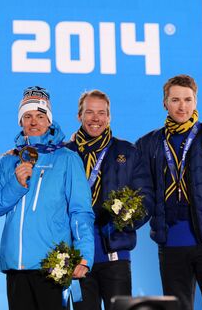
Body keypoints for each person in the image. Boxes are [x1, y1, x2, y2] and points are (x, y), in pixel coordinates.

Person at [136, 74, 202, 310]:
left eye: (187, 99)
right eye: (175, 100)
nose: (182, 106)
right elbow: (129, 179)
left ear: (196, 102)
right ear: (165, 102)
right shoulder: (149, 144)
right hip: (171, 247)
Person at [0, 86, 95, 310]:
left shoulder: (67, 159)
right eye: (27, 116)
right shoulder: (8, 161)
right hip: (17, 264)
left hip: (52, 265)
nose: (34, 122)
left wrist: (84, 255)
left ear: (49, 121)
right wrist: (16, 184)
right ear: (20, 121)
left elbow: (80, 211)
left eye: (40, 116)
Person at [65, 90, 153, 310]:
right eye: (90, 112)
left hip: (115, 255)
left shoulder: (127, 152)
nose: (96, 119)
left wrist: (123, 218)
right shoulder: (65, 154)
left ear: (109, 117)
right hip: (76, 257)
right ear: (79, 116)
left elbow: (146, 198)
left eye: (102, 113)